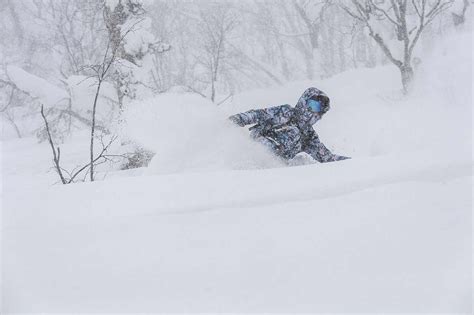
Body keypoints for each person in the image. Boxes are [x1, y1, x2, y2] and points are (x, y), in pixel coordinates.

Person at [229, 87, 350, 163]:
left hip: (271, 164)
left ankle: (273, 166)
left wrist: (354, 164)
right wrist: (238, 119)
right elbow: (258, 114)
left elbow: (327, 158)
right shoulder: (285, 112)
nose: (313, 111)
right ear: (304, 101)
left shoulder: (308, 135)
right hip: (255, 147)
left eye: (318, 109)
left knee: (296, 133)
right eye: (313, 105)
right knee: (293, 131)